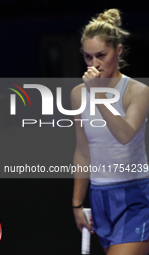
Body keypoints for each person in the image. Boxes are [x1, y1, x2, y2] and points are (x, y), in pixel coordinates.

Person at [71, 9, 149, 255]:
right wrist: (77, 204)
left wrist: (98, 95)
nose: (94, 64)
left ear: (119, 51)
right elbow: (83, 151)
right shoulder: (77, 94)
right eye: (87, 57)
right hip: (100, 199)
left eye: (101, 56)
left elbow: (125, 135)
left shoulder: (138, 92)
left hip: (136, 197)